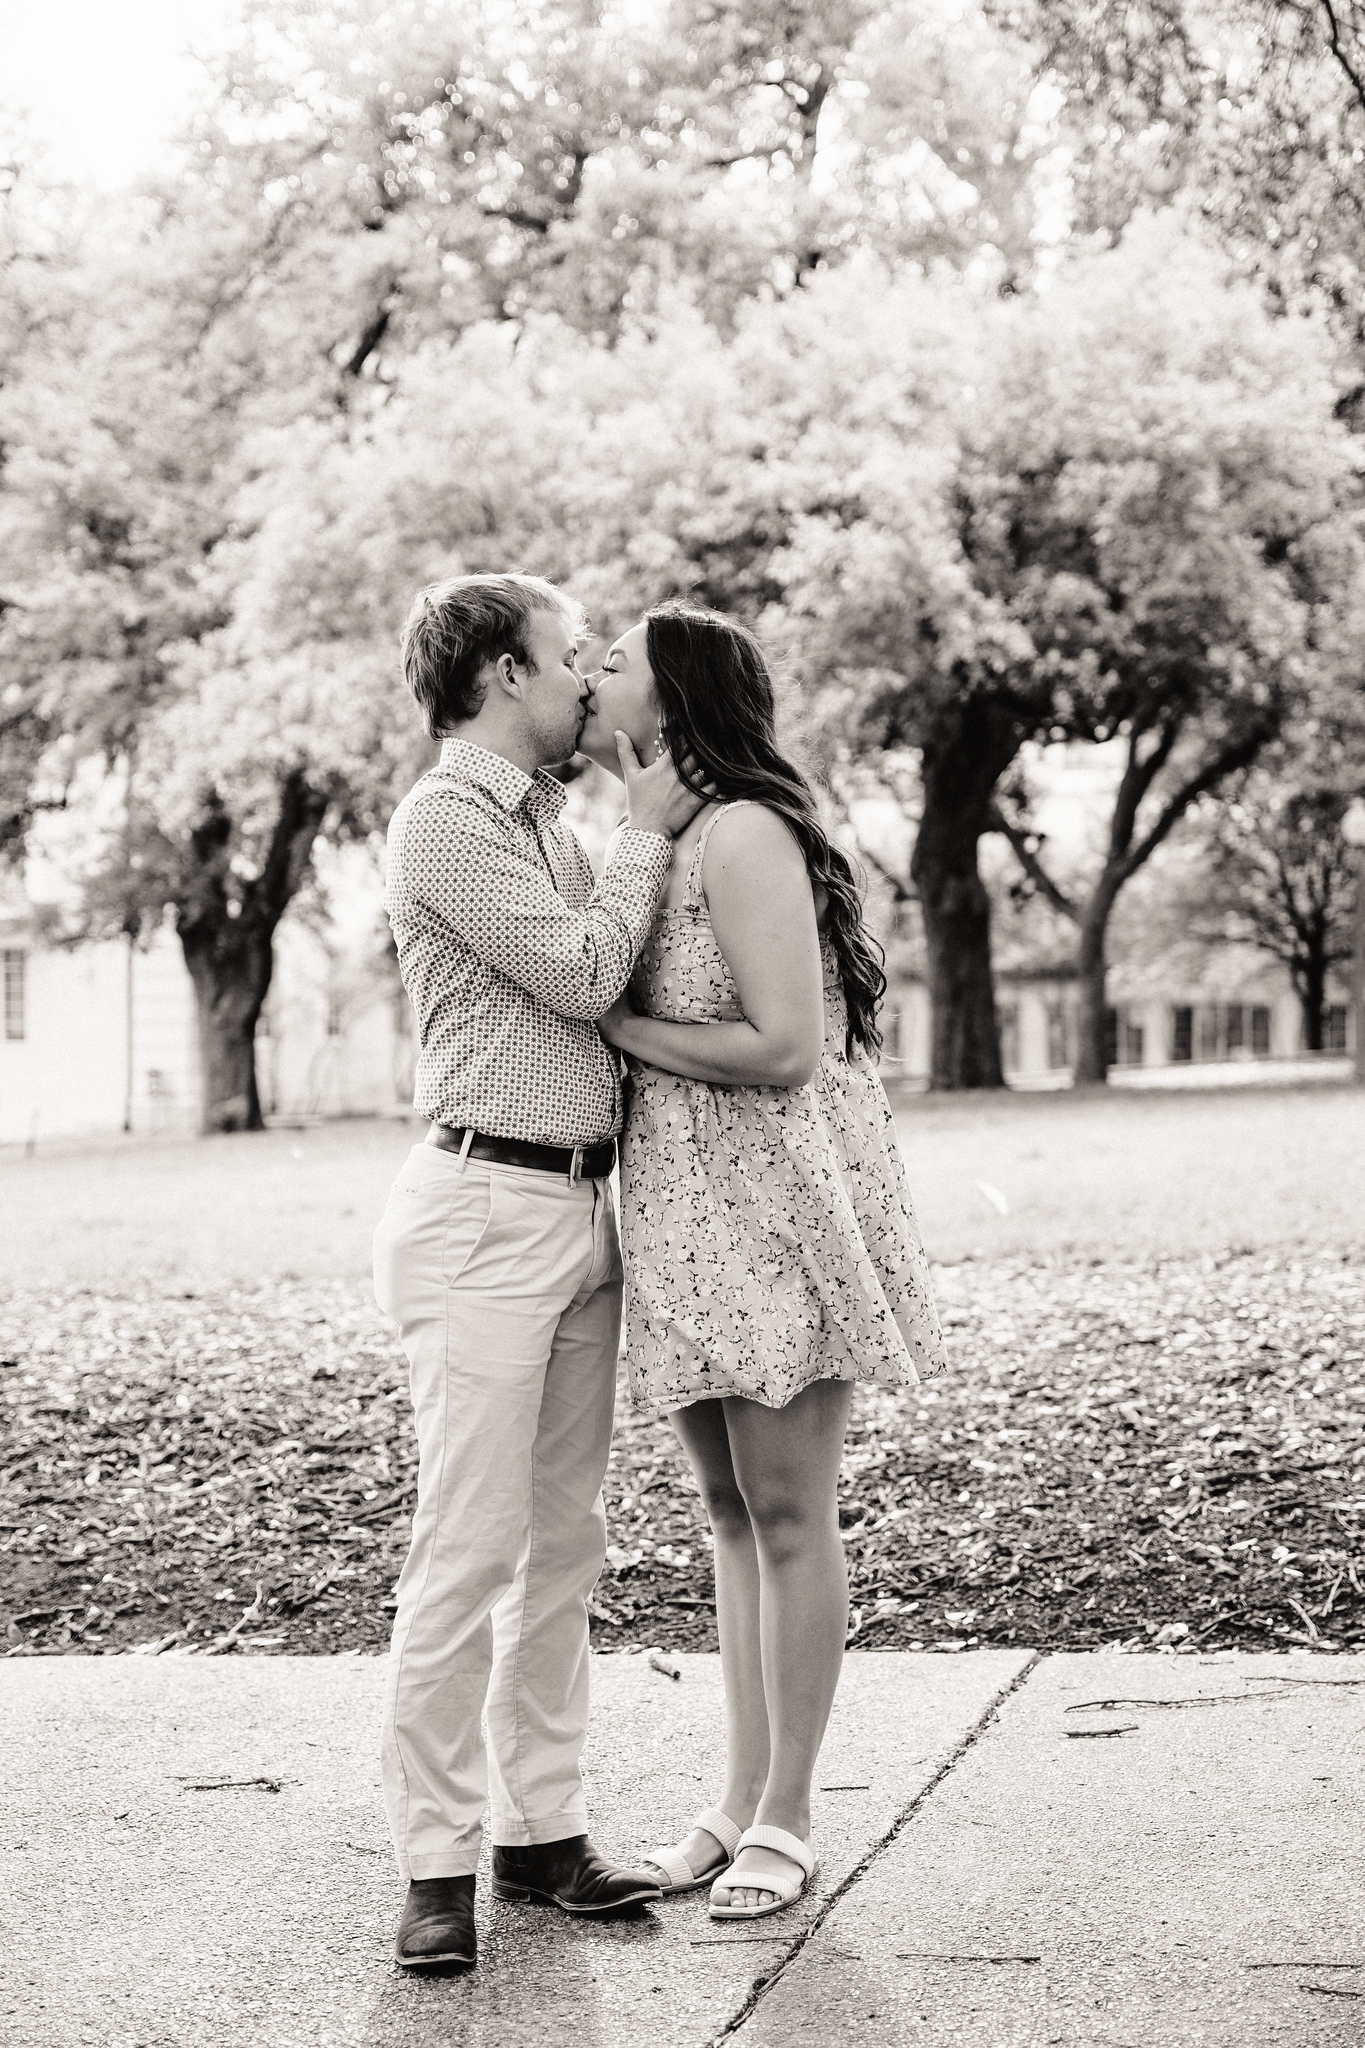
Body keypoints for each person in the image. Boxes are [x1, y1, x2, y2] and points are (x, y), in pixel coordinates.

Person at [576, 602, 946, 1921]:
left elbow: (786, 1047)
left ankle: (788, 1817)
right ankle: (733, 1804)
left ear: (671, 696)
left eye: (611, 660)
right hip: (683, 1215)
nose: (587, 673)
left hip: (774, 1212)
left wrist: (621, 1030)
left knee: (788, 1513)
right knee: (728, 1515)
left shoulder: (740, 832)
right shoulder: (654, 837)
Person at [372, 572, 706, 1970]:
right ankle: (434, 1864)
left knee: (565, 1545)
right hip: (480, 1214)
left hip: (580, 1209)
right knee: (467, 1550)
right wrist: (645, 834)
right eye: (569, 658)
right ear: (506, 674)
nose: (587, 681)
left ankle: (542, 1833)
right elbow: (579, 979)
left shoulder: (549, 825)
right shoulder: (447, 818)